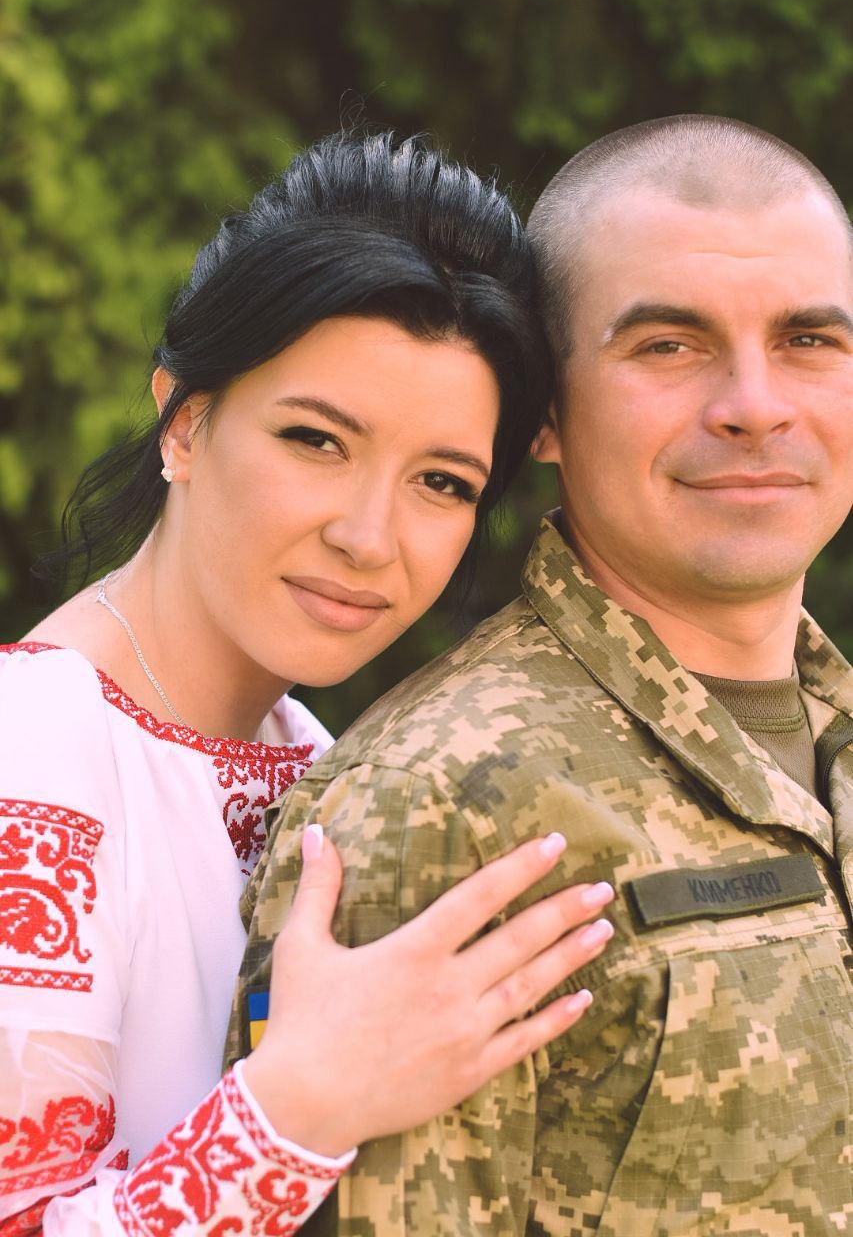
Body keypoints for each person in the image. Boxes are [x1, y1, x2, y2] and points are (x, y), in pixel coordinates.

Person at [229, 114, 853, 1236]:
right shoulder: (448, 802)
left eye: (809, 339)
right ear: (547, 418)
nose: (755, 403)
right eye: (668, 345)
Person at [0, 132, 618, 1235]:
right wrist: (301, 1107)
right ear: (185, 422)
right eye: (316, 440)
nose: (368, 536)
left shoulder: (329, 762)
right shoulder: (33, 757)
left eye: (442, 481)